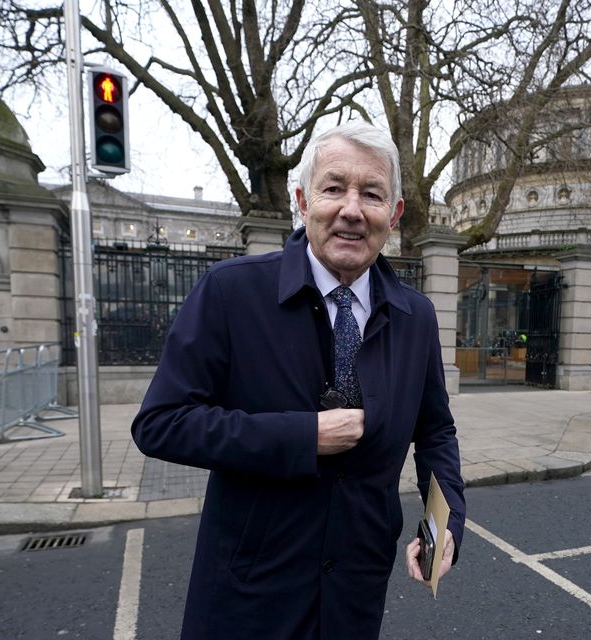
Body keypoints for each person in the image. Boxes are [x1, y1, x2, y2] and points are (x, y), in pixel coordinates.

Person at [131, 120, 466, 639]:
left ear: (394, 214)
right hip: (250, 593)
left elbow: (437, 432)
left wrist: (446, 524)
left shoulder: (415, 316)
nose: (352, 210)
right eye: (334, 188)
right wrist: (303, 436)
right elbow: (160, 423)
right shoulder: (230, 293)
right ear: (302, 200)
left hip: (355, 591)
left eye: (372, 194)